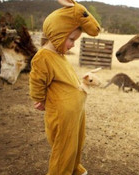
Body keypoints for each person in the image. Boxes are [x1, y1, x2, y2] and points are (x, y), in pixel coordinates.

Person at [29, 0, 100, 174]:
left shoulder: (59, 55)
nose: (73, 44)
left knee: (76, 141)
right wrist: (39, 99)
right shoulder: (43, 57)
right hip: (62, 113)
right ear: (58, 33)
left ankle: (73, 167)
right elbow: (37, 81)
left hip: (75, 111)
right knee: (63, 147)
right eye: (71, 39)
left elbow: (65, 80)